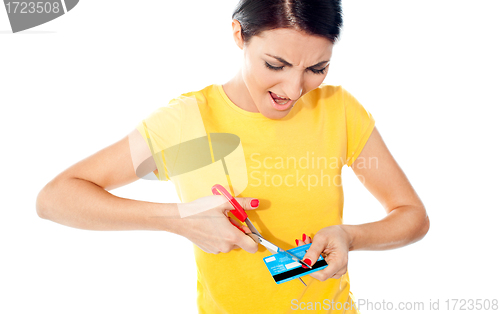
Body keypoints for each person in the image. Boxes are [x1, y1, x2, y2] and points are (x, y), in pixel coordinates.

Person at [36, 0, 430, 313]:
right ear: (239, 35)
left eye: (316, 68)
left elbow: (411, 215)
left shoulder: (339, 111)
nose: (293, 89)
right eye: (276, 65)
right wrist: (180, 219)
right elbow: (55, 199)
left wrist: (351, 236)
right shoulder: (186, 122)